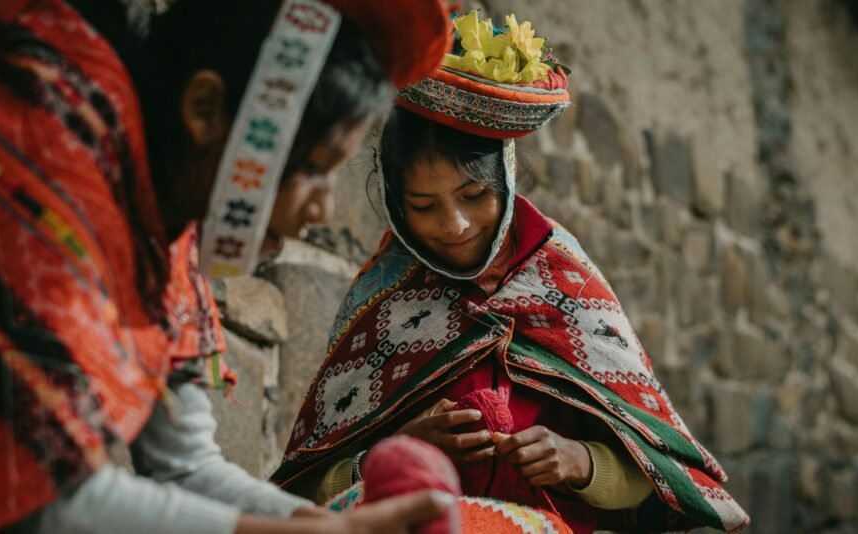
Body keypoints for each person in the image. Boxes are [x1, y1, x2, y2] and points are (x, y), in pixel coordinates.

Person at [0, 0, 457, 532]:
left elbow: (183, 465)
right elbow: (48, 506)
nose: (318, 209)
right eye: (312, 169)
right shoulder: (39, 165)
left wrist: (311, 520)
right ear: (205, 109)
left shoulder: (163, 239)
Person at [274, 11, 750, 533]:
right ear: (395, 206)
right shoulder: (383, 302)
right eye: (423, 206)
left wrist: (580, 462)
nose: (453, 225)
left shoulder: (568, 285)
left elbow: (655, 472)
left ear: (506, 181)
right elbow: (308, 483)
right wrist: (389, 454)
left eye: (474, 196)